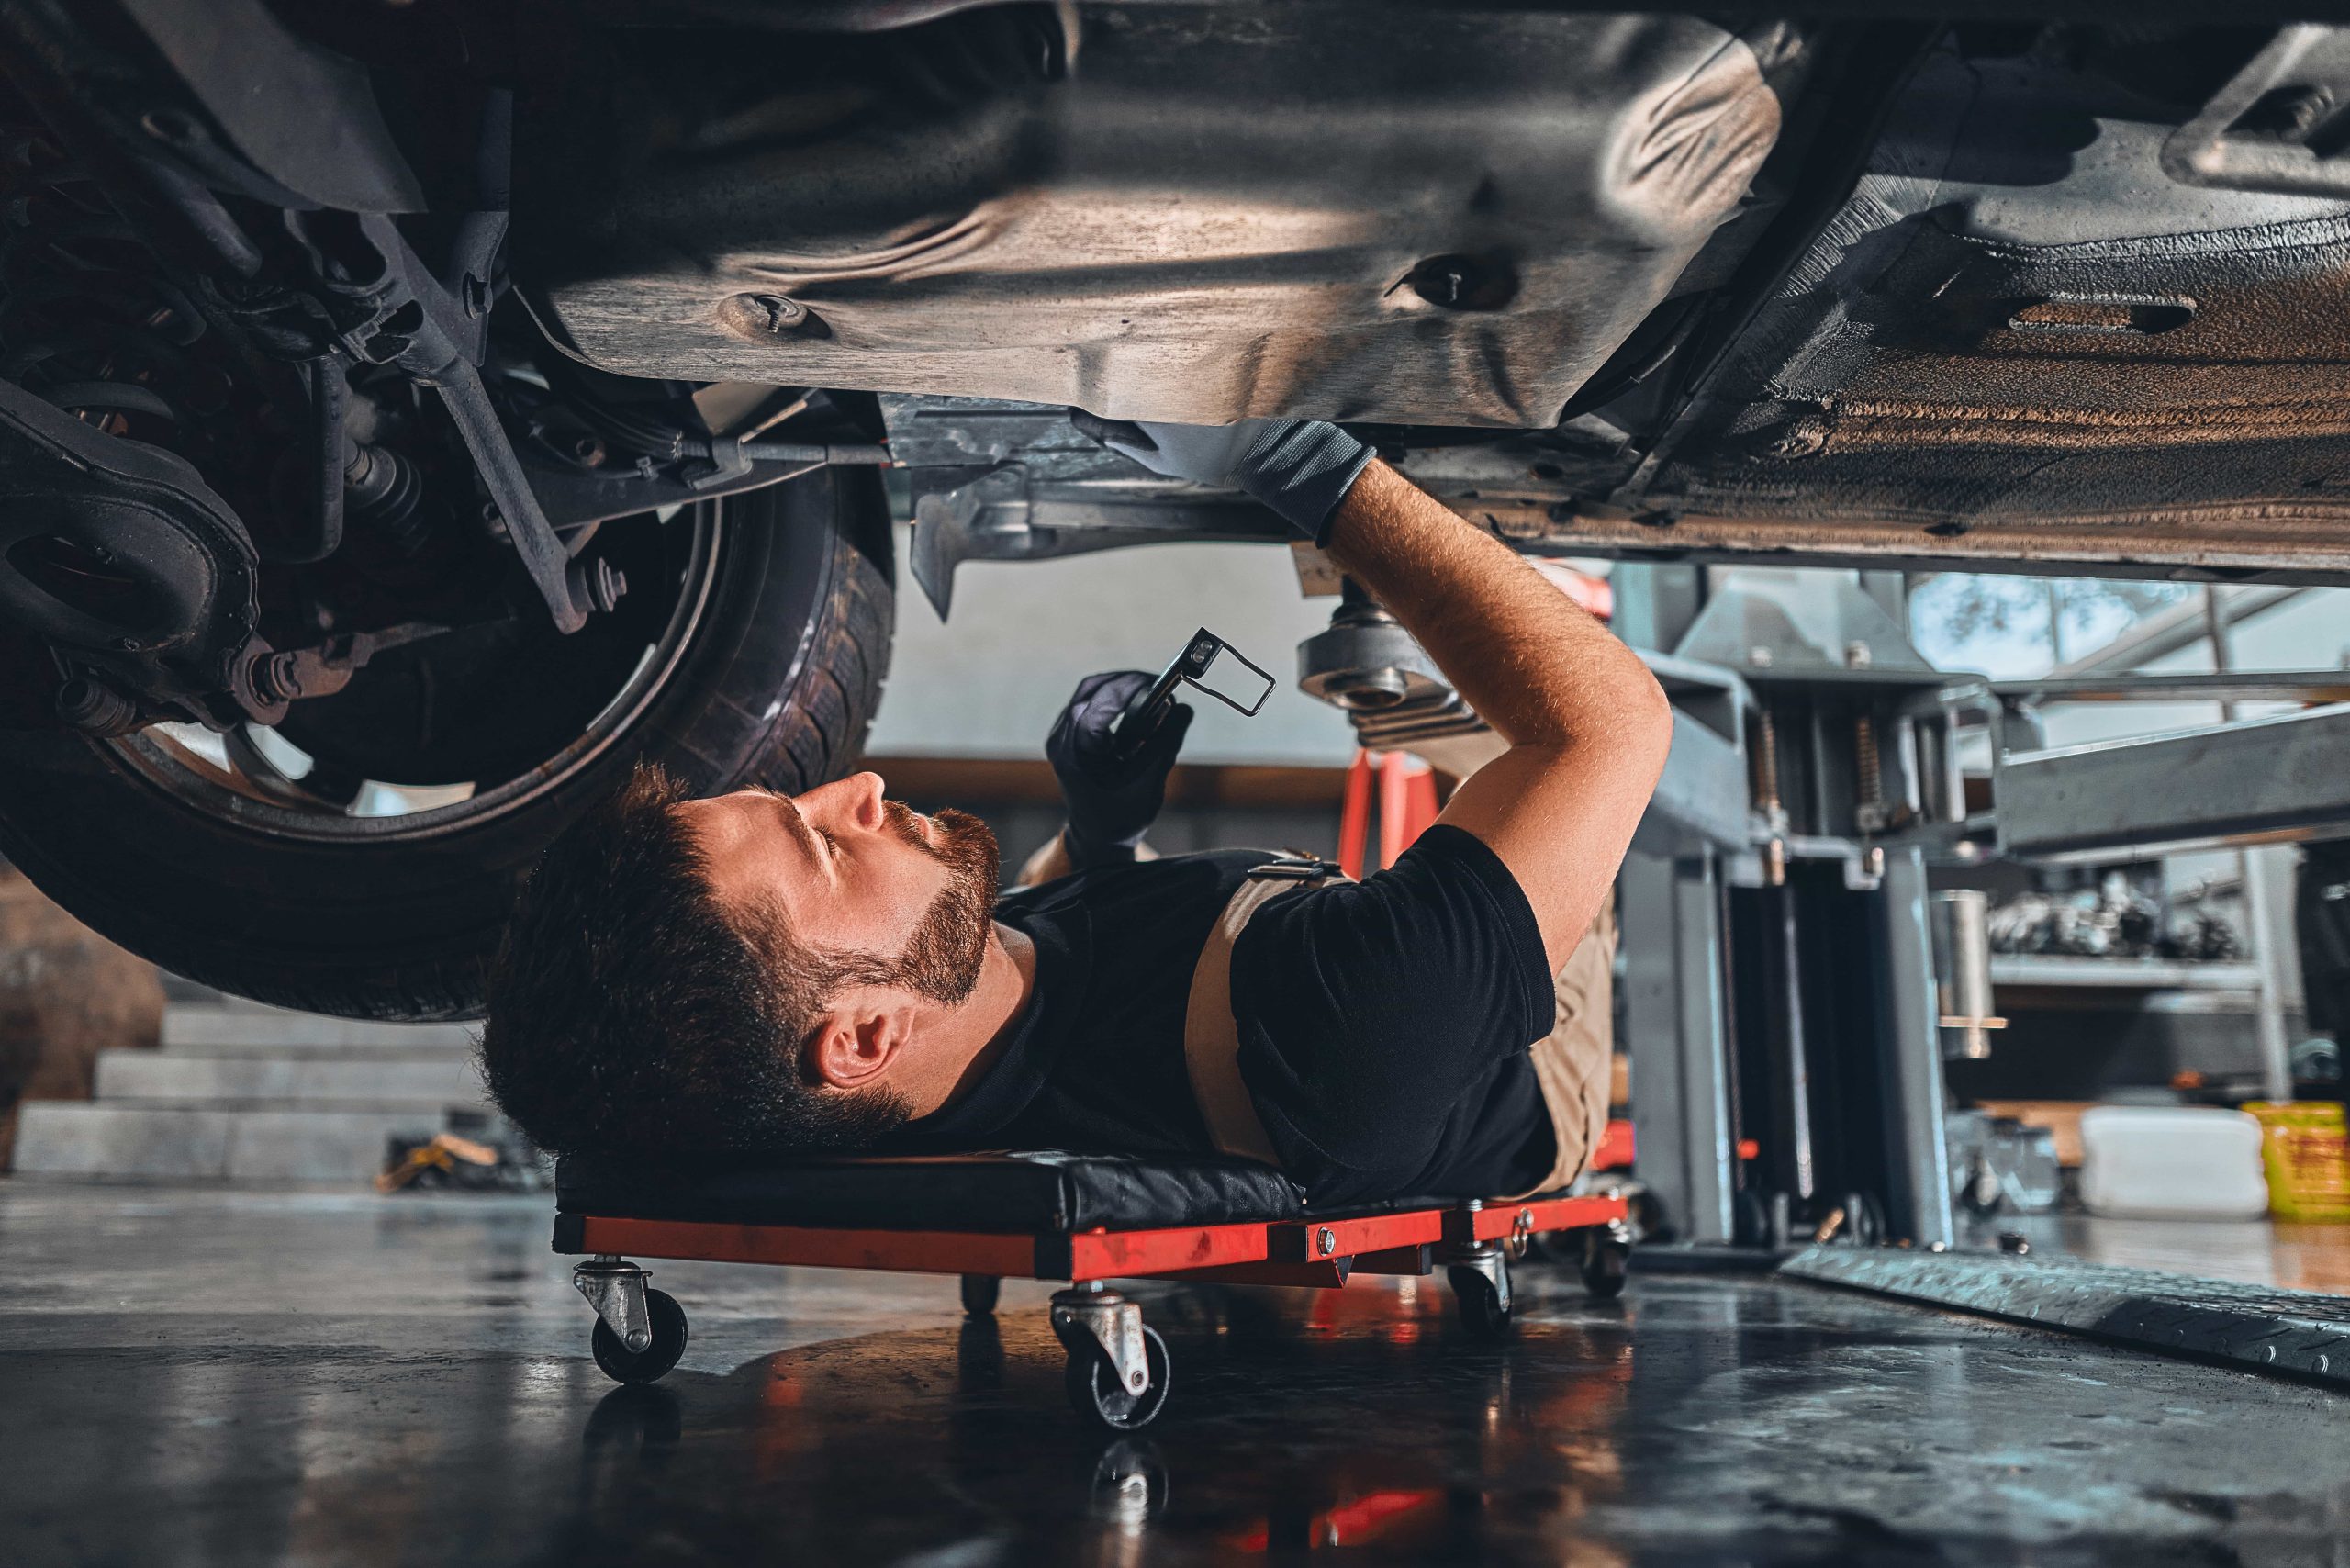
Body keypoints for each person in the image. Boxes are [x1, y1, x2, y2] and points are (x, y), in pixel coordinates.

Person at [480, 415, 1673, 1205]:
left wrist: (1102, 829)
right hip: (1515, 1059)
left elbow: (1045, 971)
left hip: (1258, 958)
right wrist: (1311, 466)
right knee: (1475, 704)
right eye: (823, 844)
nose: (859, 788)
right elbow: (1611, 728)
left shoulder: (896, 1064)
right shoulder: (1347, 1030)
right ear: (861, 1040)